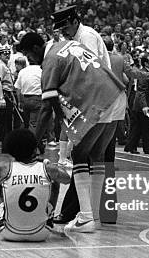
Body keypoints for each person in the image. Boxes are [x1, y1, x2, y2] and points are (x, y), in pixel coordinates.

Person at [25, 32, 126, 233]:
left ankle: (86, 218)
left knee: (80, 154)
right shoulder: (68, 44)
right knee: (97, 155)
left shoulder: (50, 61)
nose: (30, 61)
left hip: (99, 101)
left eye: (29, 56)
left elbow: (46, 108)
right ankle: (94, 216)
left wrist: (33, 142)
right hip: (117, 94)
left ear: (36, 49)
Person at [0, 129, 70, 242]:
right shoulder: (48, 168)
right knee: (55, 180)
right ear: (34, 148)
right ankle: (49, 214)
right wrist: (47, 163)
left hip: (8, 232)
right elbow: (67, 179)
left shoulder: (4, 168)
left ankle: (3, 215)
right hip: (41, 233)